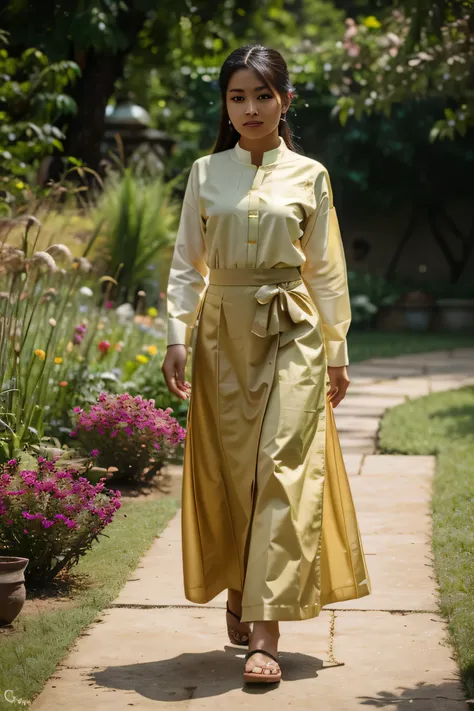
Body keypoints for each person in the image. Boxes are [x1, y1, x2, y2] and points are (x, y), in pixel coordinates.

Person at [162, 44, 371, 685]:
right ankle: (239, 581)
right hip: (220, 332)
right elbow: (184, 263)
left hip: (296, 331)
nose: (250, 108)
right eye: (237, 97)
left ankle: (265, 632)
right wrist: (176, 333)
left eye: (262, 95)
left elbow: (327, 271)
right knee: (233, 471)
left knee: (283, 464)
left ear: (285, 98)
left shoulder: (311, 174)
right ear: (226, 105)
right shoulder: (205, 172)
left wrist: (336, 349)